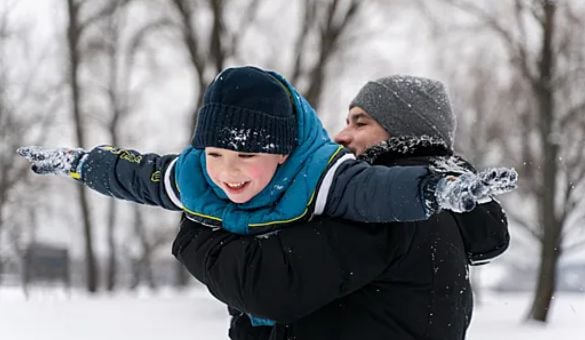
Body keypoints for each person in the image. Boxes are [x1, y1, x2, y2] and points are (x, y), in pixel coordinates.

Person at [170, 75, 512, 339]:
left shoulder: (387, 210)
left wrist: (199, 223)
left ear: (405, 132)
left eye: (360, 122)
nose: (341, 135)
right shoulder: (436, 214)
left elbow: (265, 287)